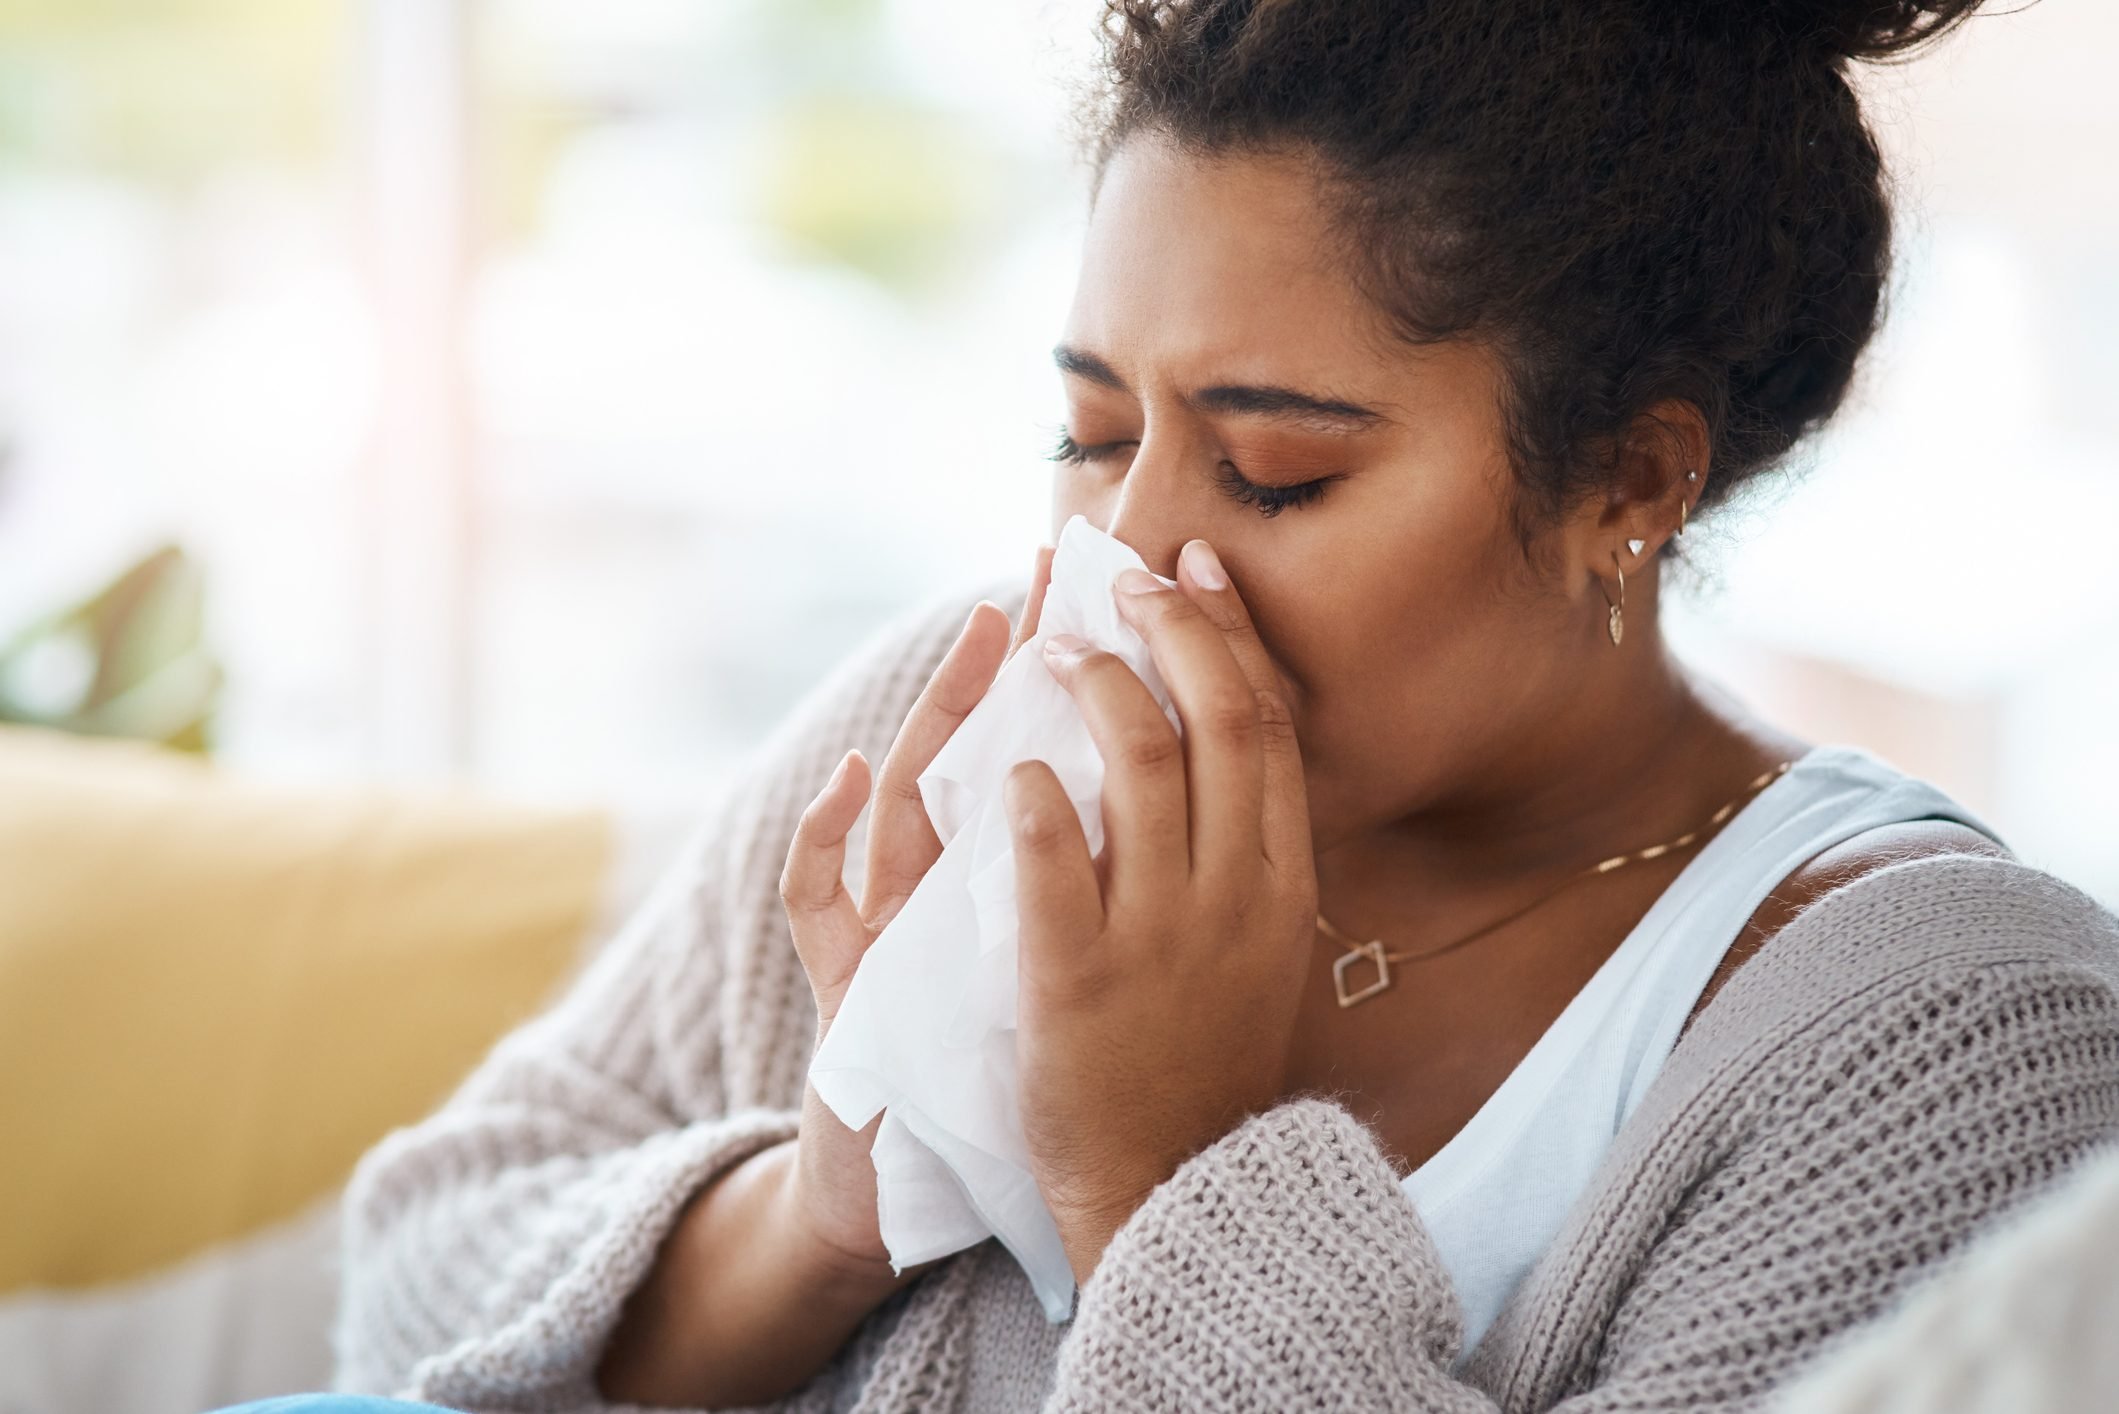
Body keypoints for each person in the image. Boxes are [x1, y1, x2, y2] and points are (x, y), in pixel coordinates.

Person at [320, 0, 2119, 1410]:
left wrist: (1164, 1179)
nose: (1135, 553)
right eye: (1093, 436)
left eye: (1269, 473)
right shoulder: (967, 731)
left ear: (1627, 485)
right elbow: (417, 1277)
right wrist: (828, 1210)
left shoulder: (1970, 1045)